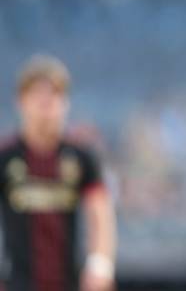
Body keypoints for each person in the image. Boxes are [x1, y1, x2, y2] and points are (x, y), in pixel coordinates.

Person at [0, 55, 116, 291]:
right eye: (38, 96)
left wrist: (100, 264)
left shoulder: (81, 156)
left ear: (65, 102)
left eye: (54, 95)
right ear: (21, 101)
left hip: (69, 283)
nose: (46, 104)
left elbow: (100, 213)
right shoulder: (6, 157)